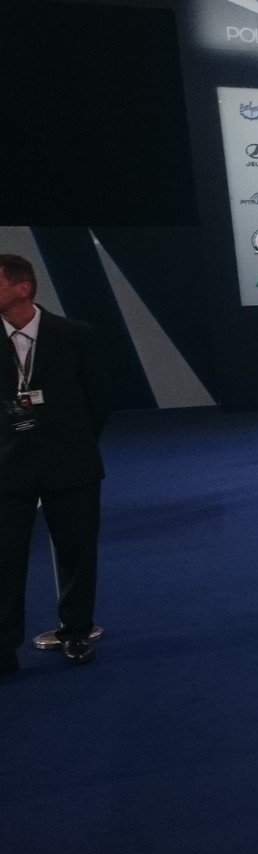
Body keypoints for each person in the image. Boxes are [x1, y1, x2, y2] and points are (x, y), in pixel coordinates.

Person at [1, 254, 109, 674]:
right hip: (7, 467)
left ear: (22, 288)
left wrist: (74, 446)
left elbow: (98, 400)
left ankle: (76, 633)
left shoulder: (74, 335)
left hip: (70, 463)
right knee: (6, 558)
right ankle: (3, 646)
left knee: (76, 553)